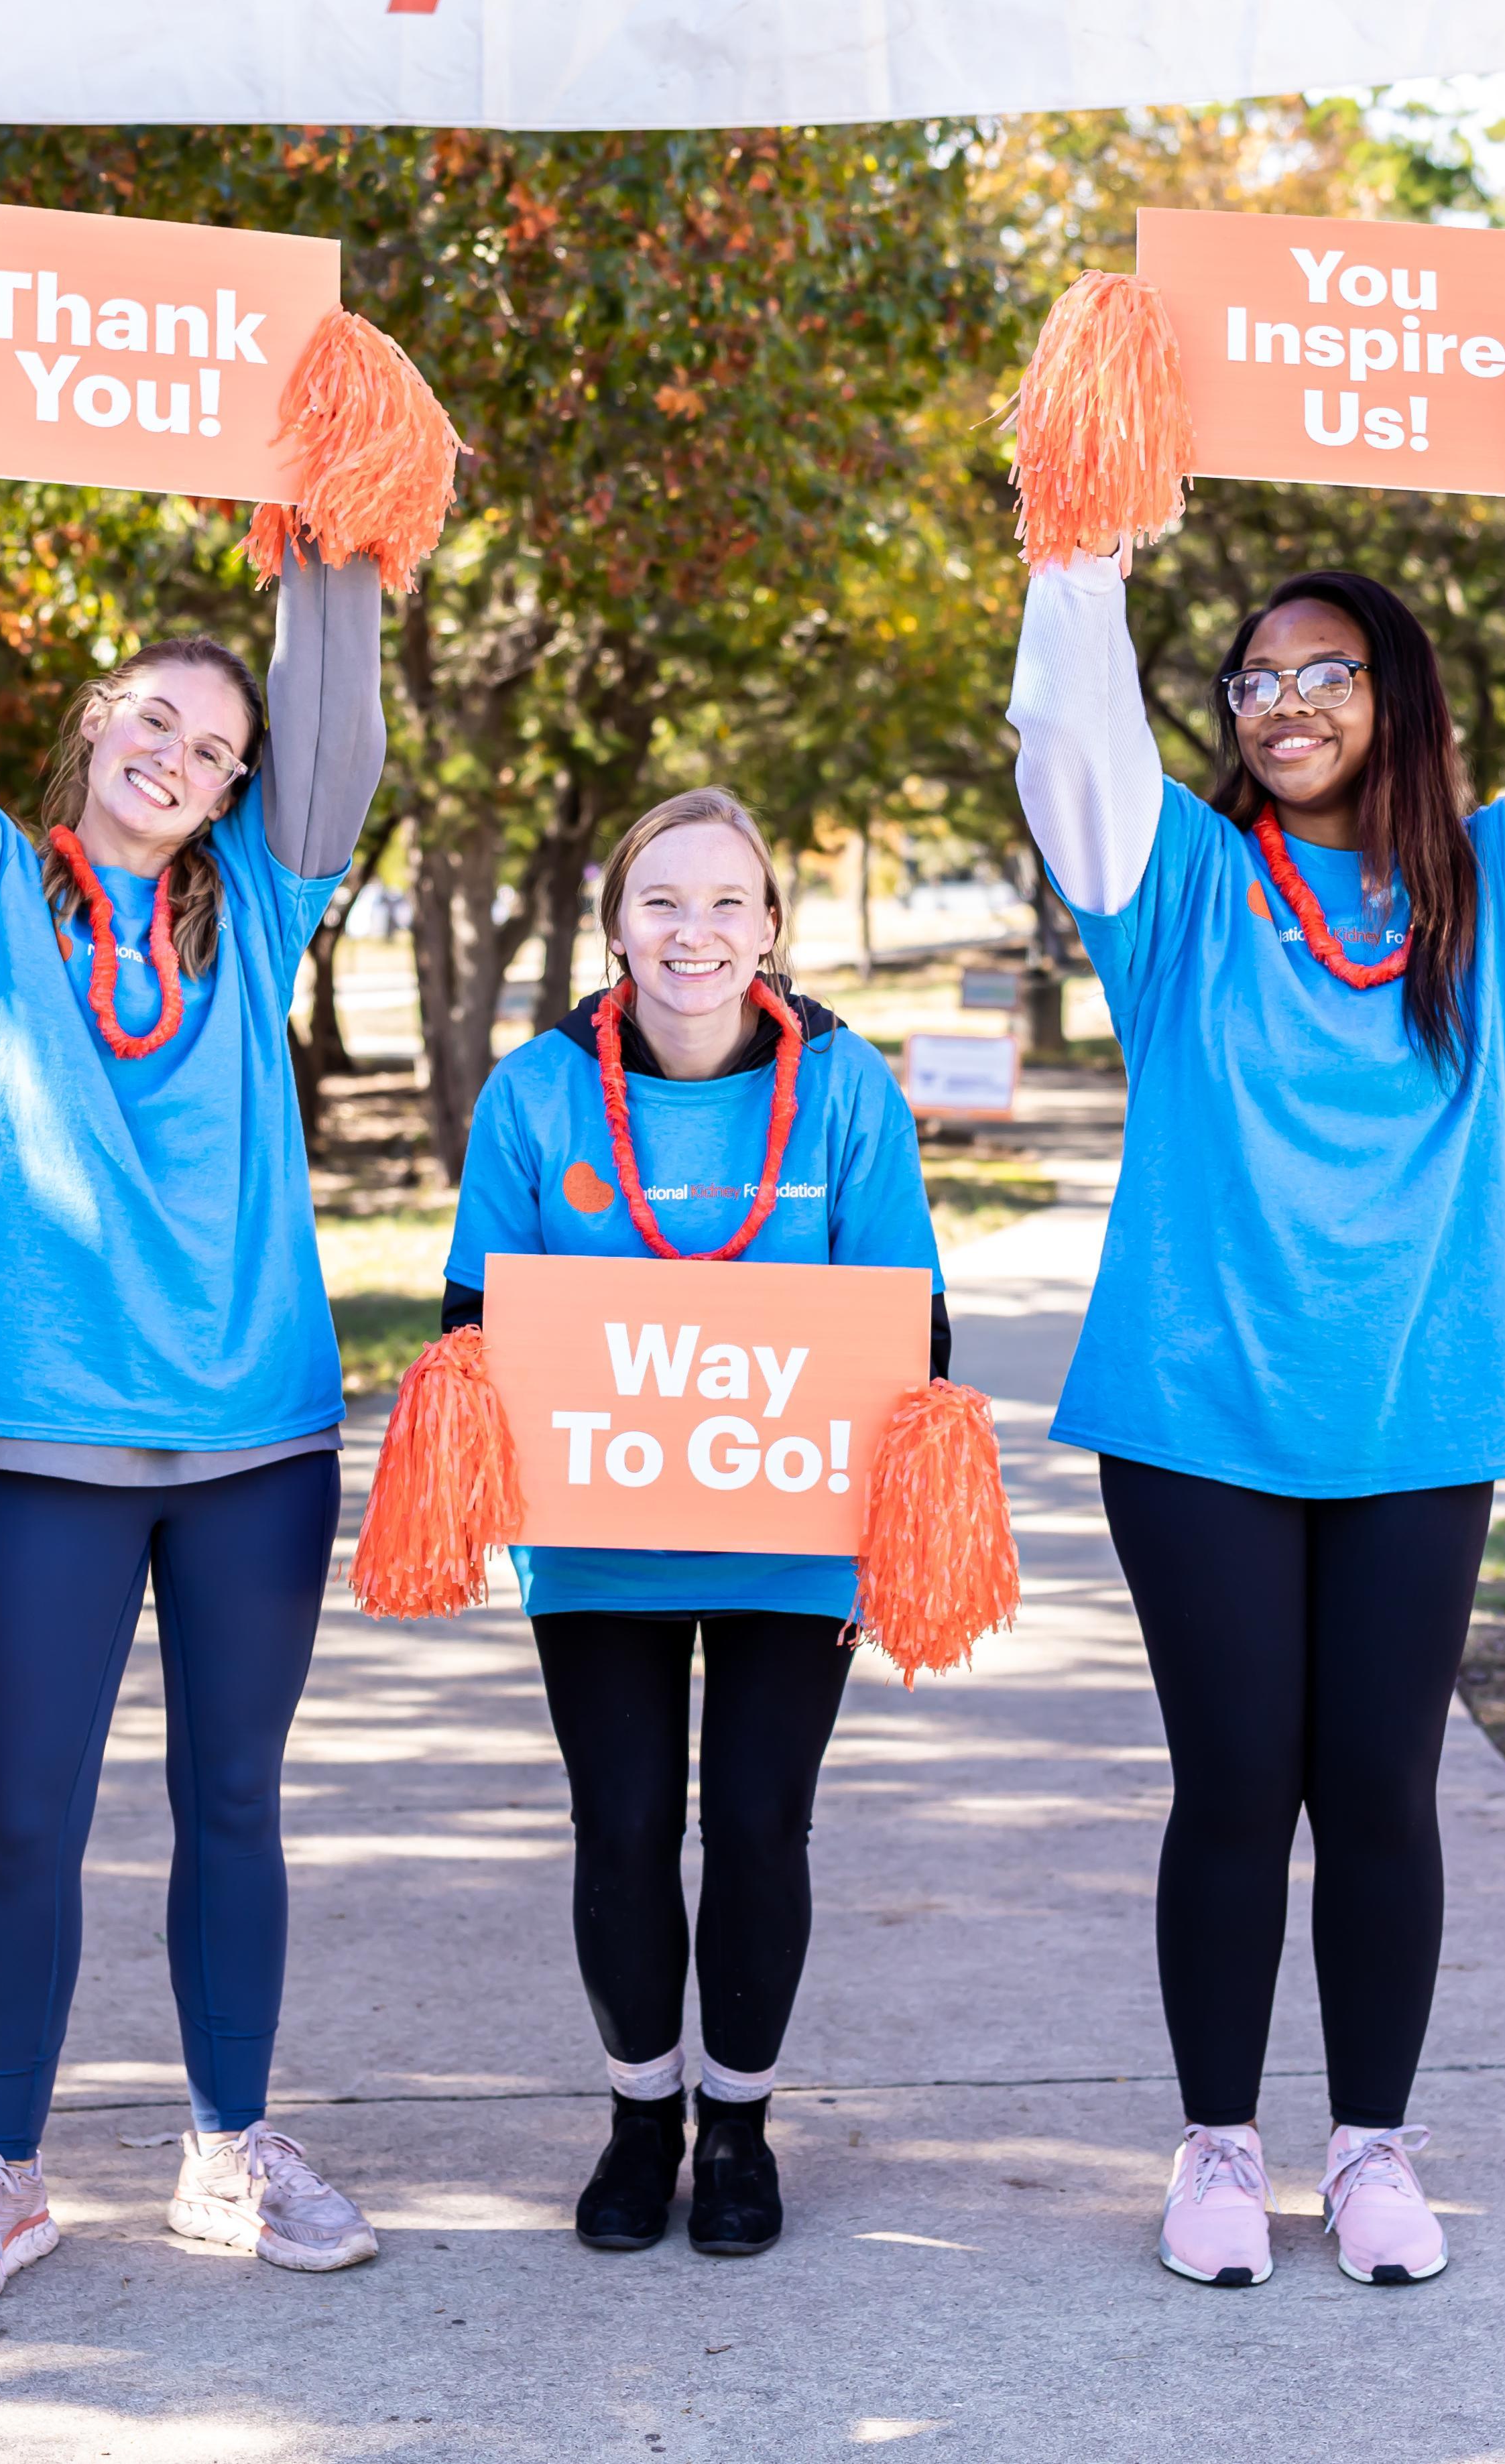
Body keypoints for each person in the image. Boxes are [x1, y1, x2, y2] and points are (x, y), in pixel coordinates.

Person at [1009, 542, 1505, 2287]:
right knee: (1235, 1782)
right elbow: (1069, 743)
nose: (1282, 700)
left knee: (1380, 1784)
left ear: (1392, 691)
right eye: (1251, 678)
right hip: (1194, 1412)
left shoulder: (1493, 889)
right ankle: (1216, 2147)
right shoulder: (1174, 880)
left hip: (1414, 1404)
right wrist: (1075, 547)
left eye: (1321, 669)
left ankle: (1374, 2146)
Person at [0, 484, 387, 2313]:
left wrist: (334, 533)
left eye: (215, 748)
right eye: (154, 717)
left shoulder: (264, 909)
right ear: (89, 726)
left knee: (234, 1794)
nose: (181, 756)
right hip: (47, 1441)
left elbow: (338, 733)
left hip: (254, 1440)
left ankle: (228, 2144)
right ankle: (2, 2168)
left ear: (232, 791)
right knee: (28, 1814)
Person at [436, 788, 949, 2256]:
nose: (695, 933)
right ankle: (637, 2114)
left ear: (773, 928)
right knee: (623, 1830)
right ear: (613, 928)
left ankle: (737, 2128)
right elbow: (476, 1328)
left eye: (730, 903)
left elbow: (913, 1331)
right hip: (599, 1537)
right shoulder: (535, 1093)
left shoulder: (844, 1090)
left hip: (796, 1535)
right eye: (662, 902)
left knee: (757, 1831)